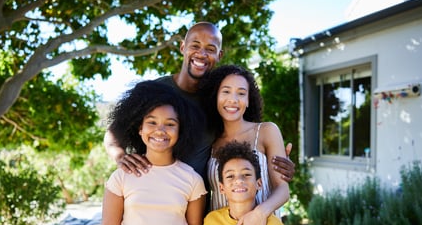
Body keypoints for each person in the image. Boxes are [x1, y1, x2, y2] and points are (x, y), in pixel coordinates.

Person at [103, 22, 295, 190]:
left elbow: (245, 137)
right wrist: (120, 156)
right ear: (182, 47)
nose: (201, 53)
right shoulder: (155, 91)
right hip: (153, 196)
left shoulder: (219, 100)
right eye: (195, 45)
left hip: (199, 206)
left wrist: (275, 163)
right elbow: (113, 134)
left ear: (219, 55)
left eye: (210, 49)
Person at [199, 64, 304, 225]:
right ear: (215, 96)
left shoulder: (266, 131)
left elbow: (283, 189)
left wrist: (259, 215)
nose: (233, 99)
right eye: (226, 91)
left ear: (249, 100)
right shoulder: (208, 140)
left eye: (241, 93)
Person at [95, 81, 206, 225]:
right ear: (140, 129)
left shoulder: (191, 180)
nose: (160, 130)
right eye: (152, 122)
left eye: (170, 124)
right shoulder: (122, 177)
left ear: (180, 130)